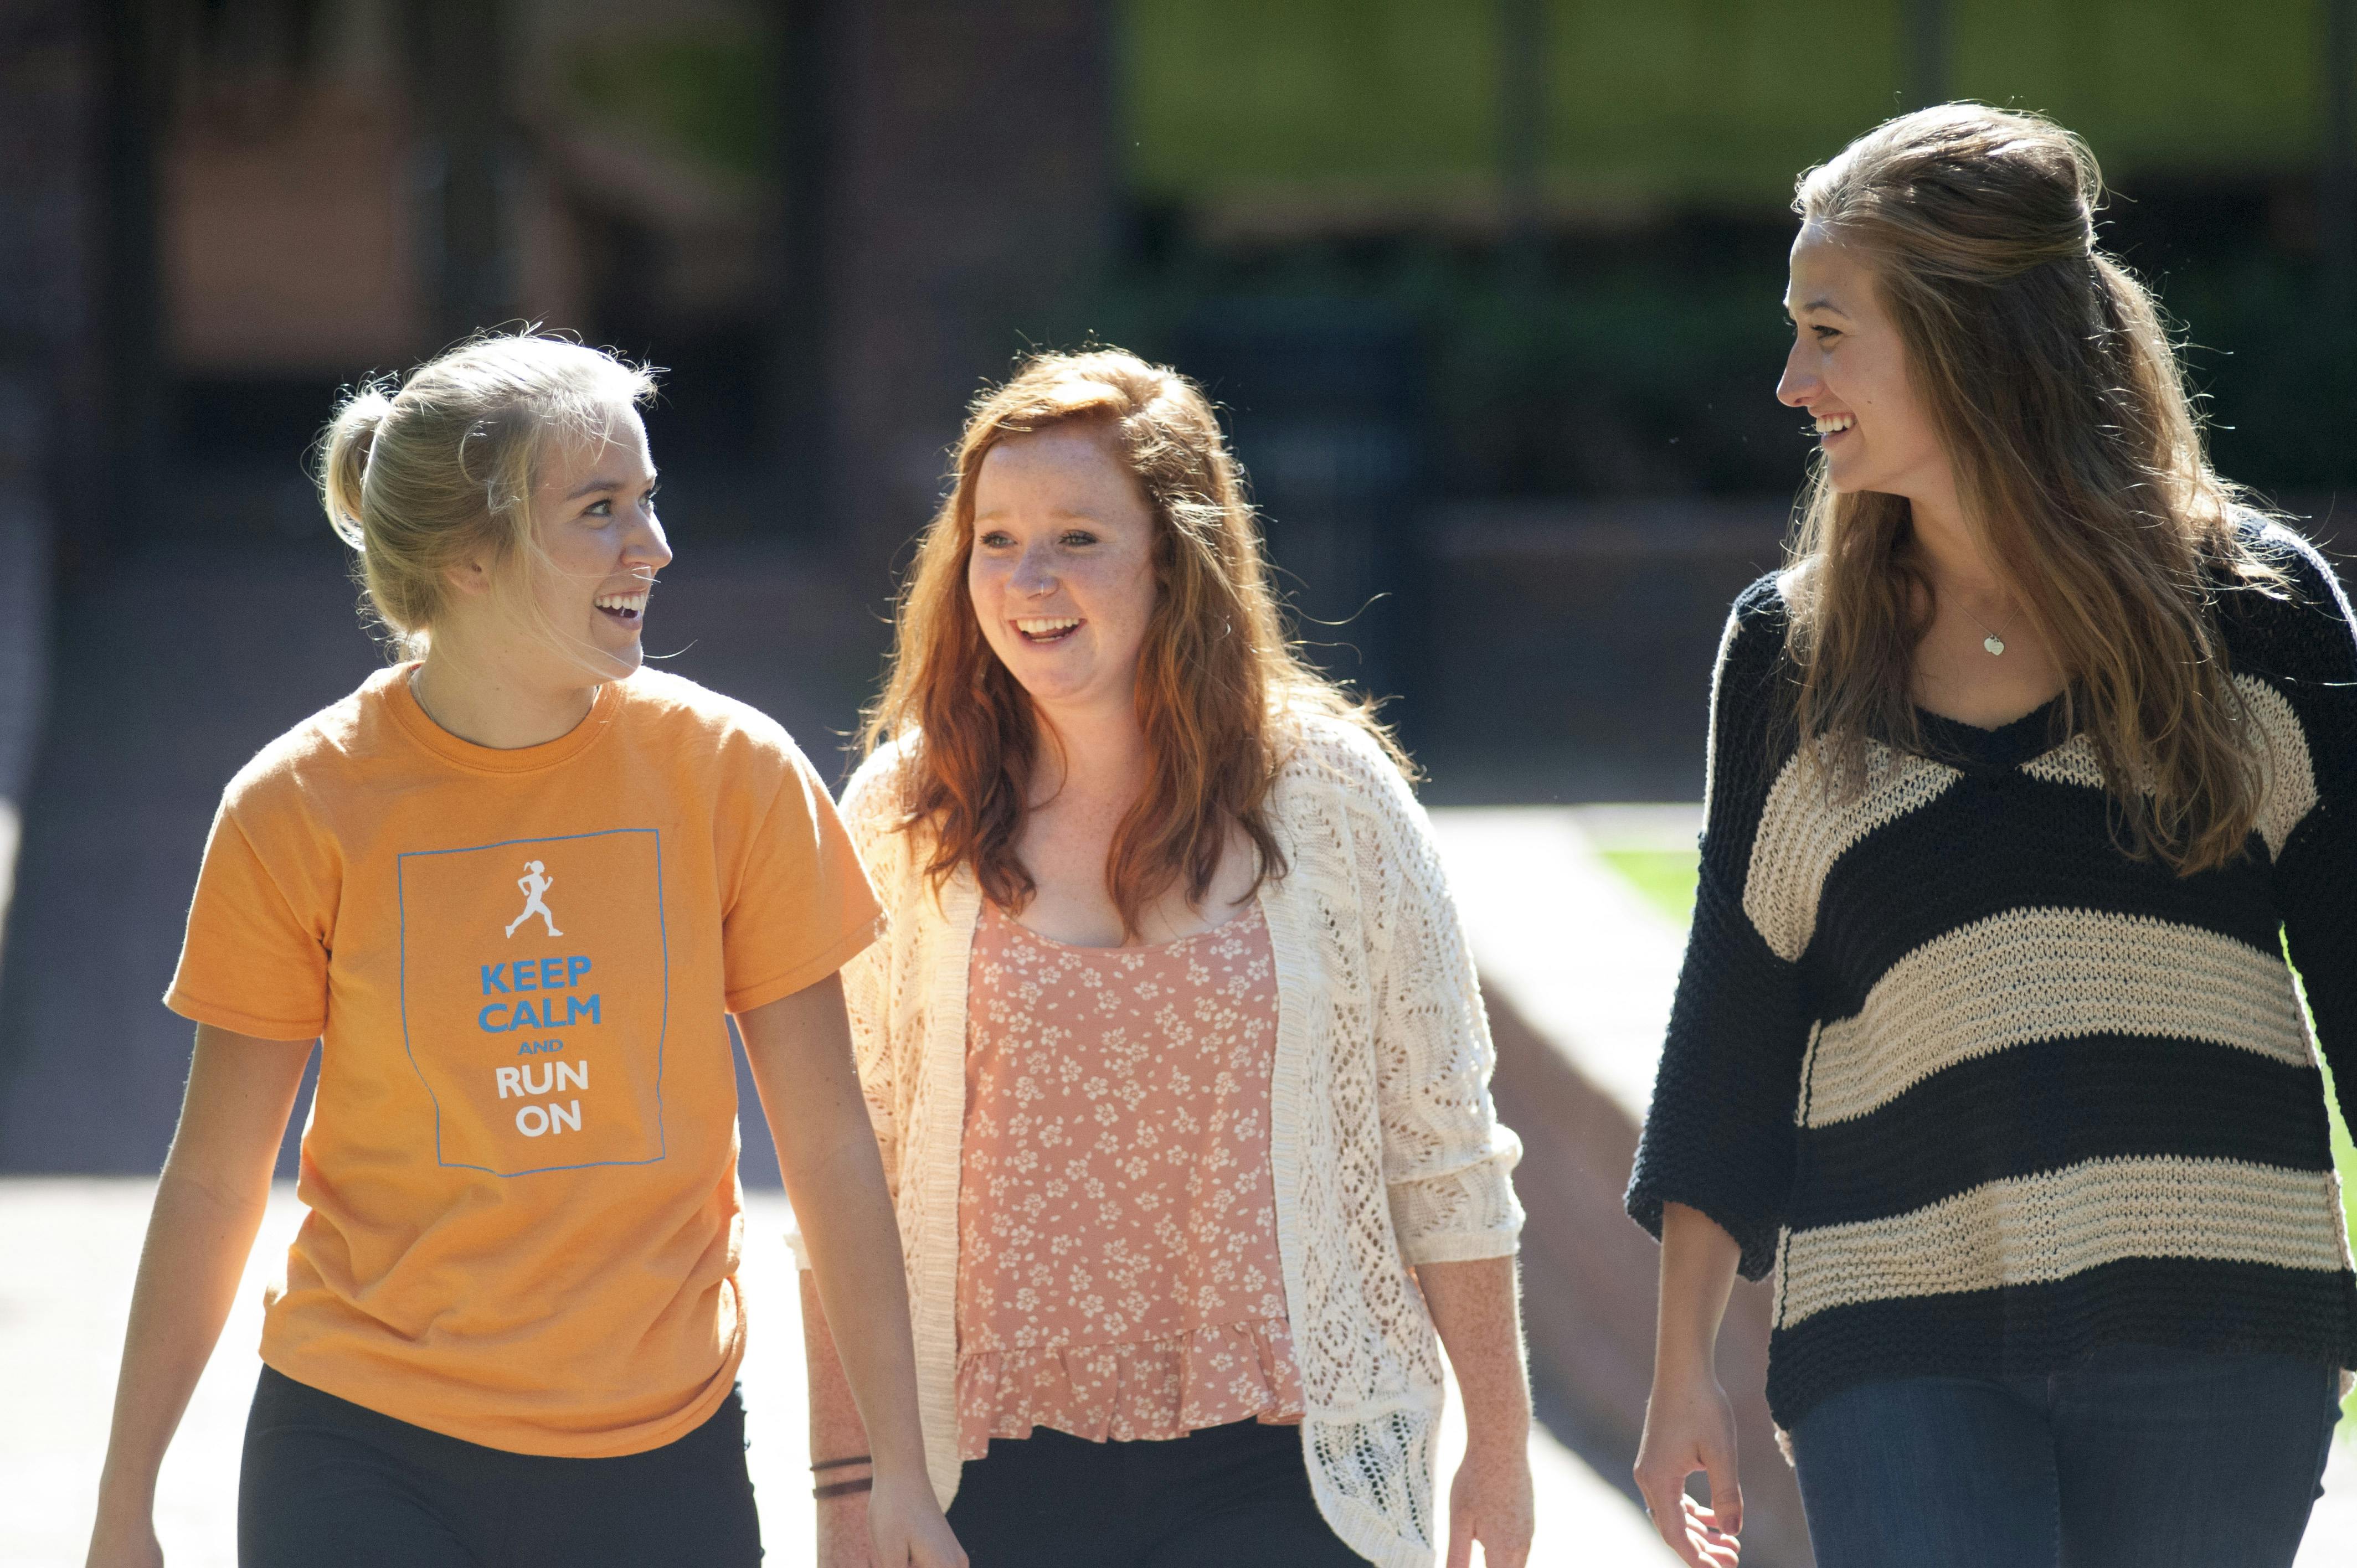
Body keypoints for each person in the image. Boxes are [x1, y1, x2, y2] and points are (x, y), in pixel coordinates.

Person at [83, 334, 965, 1568]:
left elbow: (827, 1146)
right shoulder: (297, 807)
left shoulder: (736, 776)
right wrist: (124, 1502)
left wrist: (901, 1477)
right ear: (470, 556)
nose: (653, 545)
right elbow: (217, 1180)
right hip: (362, 1446)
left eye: (648, 500)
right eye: (600, 511)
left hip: (662, 1455)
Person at [1627, 105, 2357, 1568]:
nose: (1790, 381)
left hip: (2220, 1316)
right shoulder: (1789, 660)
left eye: (1828, 333)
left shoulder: (2256, 619)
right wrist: (1679, 1374)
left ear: (1966, 340)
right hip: (1895, 1334)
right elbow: (1734, 1021)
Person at [792, 348, 1533, 1568]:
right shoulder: (902, 817)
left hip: (1295, 1465)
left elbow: (1442, 1145)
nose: (1029, 579)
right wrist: (845, 1495)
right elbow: (844, 1183)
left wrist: (1498, 1454)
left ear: (1175, 558)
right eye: (996, 540)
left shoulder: (1334, 801)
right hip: (988, 1470)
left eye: (1078, 539)